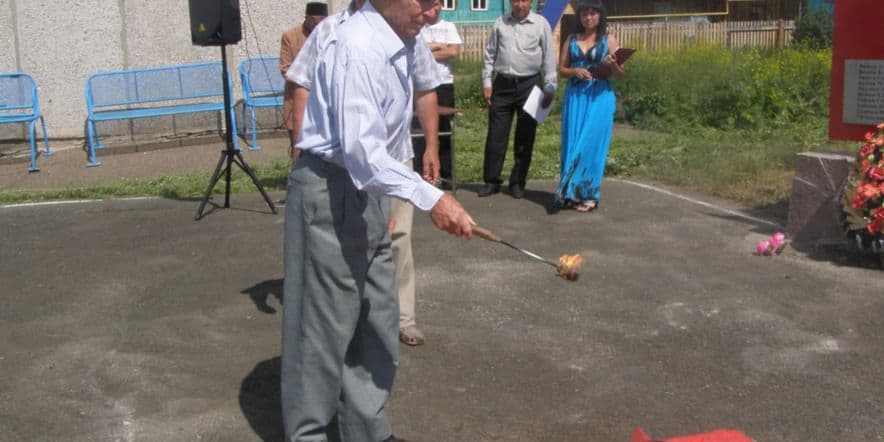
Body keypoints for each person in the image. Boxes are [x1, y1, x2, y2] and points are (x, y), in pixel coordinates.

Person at [280, 0, 475, 440]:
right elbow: (362, 153)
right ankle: (307, 434)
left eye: (439, 2)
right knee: (321, 332)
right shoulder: (359, 46)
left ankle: (367, 429)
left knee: (378, 318)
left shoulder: (401, 41)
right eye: (424, 1)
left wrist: (387, 198)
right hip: (332, 187)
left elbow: (389, 133)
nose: (434, 13)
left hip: (366, 190)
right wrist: (433, 199)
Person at [286, 0, 443, 348]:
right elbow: (301, 84)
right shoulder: (336, 34)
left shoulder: (408, 32)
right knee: (345, 253)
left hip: (394, 160)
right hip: (344, 169)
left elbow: (426, 87)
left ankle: (398, 318)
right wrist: (300, 144)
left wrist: (431, 145)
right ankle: (351, 322)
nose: (435, 12)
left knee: (395, 240)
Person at [478, 0, 557, 199]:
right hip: (502, 84)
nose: (519, 4)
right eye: (515, 0)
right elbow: (490, 54)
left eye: (524, 0)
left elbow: (549, 56)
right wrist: (487, 81)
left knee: (525, 136)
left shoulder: (541, 24)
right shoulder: (500, 23)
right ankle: (491, 181)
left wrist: (550, 86)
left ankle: (517, 182)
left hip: (530, 85)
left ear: (530, 2)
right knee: (496, 135)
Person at [554, 0, 623, 212]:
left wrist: (613, 65)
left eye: (593, 14)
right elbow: (562, 69)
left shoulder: (609, 40)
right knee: (573, 143)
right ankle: (571, 193)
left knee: (592, 145)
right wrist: (575, 71)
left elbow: (621, 75)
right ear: (580, 17)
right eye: (585, 14)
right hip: (576, 97)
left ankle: (590, 194)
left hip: (600, 97)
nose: (589, 18)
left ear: (600, 16)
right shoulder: (571, 39)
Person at [412, 0, 462, 189]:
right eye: (430, 4)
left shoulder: (449, 27)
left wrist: (427, 49)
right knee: (418, 131)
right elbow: (414, 51)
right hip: (420, 87)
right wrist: (438, 46)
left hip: (444, 84)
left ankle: (446, 175)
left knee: (444, 131)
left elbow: (453, 52)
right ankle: (419, 175)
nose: (433, 9)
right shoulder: (418, 27)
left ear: (440, 6)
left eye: (437, 4)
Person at [279, 2, 327, 150]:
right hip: (297, 96)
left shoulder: (332, 33)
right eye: (314, 21)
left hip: (323, 99)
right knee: (297, 144)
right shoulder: (290, 36)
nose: (317, 24)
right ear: (307, 18)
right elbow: (285, 68)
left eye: (322, 21)